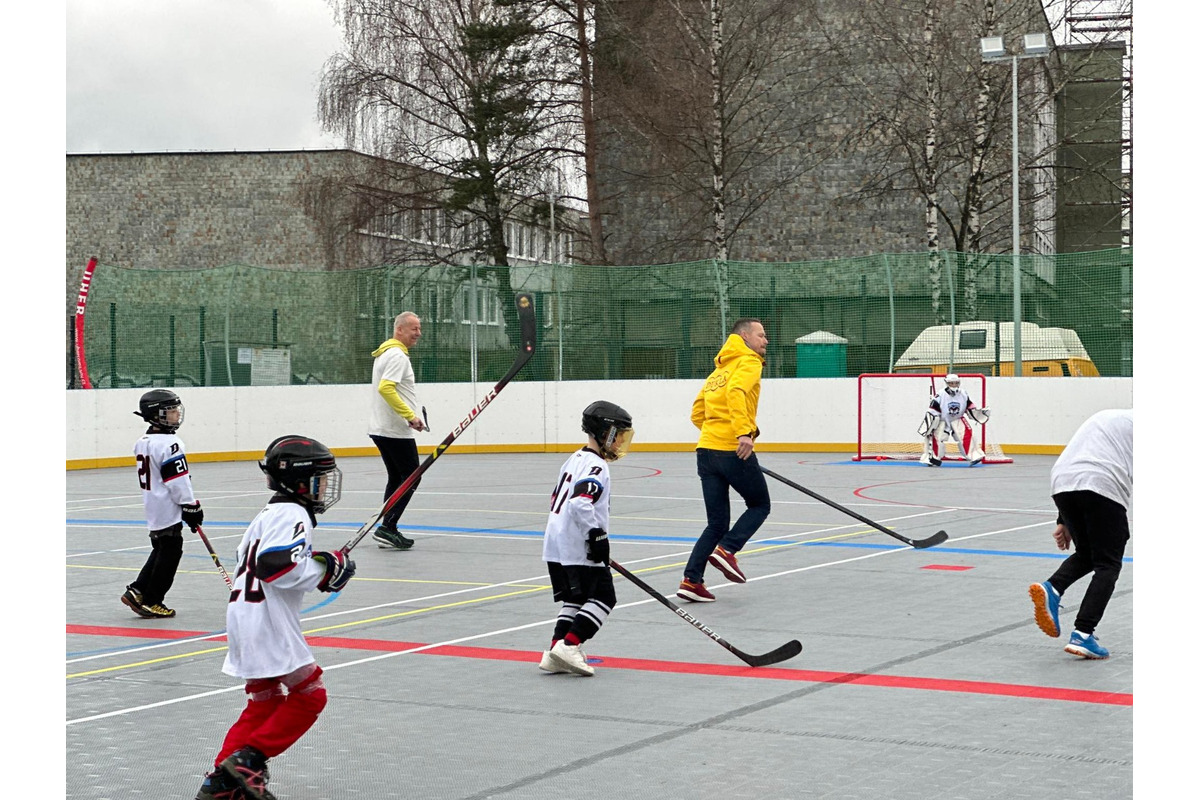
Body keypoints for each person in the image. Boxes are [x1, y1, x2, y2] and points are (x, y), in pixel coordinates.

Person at [195, 435, 355, 800]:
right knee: (310, 695)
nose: (324, 487)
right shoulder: (293, 514)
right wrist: (324, 571)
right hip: (267, 622)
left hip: (243, 619)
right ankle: (249, 761)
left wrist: (323, 565)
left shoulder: (268, 514)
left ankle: (221, 784)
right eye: (318, 478)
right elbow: (276, 567)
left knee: (264, 701)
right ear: (298, 481)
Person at [677, 318, 770, 603]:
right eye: (761, 335)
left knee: (716, 523)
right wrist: (743, 433)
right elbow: (737, 392)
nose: (766, 341)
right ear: (744, 336)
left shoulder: (718, 370)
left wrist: (715, 435)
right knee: (760, 505)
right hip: (732, 447)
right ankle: (727, 550)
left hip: (706, 451)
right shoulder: (748, 362)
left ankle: (691, 580)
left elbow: (697, 412)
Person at [1028, 408, 1132, 660]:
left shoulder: (1113, 416)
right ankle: (1083, 634)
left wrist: (1063, 519)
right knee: (1108, 563)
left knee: (1088, 552)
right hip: (1100, 483)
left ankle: (1052, 587)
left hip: (1062, 481)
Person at [539, 401, 634, 677]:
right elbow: (581, 503)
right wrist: (597, 535)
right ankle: (570, 646)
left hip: (556, 543)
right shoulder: (596, 466)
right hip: (577, 544)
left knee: (577, 598)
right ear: (604, 432)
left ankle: (555, 649)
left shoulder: (574, 459)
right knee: (604, 597)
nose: (618, 443)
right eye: (616, 436)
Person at [122, 389, 203, 619]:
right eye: (170, 412)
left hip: (153, 505)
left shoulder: (143, 442)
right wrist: (191, 505)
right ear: (156, 415)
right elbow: (177, 480)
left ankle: (137, 590)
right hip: (168, 506)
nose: (176, 415)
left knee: (160, 549)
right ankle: (152, 600)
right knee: (170, 553)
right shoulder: (171, 444)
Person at [368, 310, 428, 550]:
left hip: (383, 428)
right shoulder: (396, 356)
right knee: (412, 476)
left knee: (397, 477)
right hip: (393, 430)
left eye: (419, 328)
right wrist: (410, 416)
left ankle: (387, 527)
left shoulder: (387, 353)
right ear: (399, 329)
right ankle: (388, 526)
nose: (418, 333)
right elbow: (386, 388)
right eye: (414, 328)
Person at [919, 373, 990, 466]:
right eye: (951, 383)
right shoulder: (940, 394)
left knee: (967, 435)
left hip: (957, 418)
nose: (954, 385)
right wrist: (931, 423)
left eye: (956, 383)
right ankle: (932, 458)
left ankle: (974, 455)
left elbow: (969, 405)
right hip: (942, 419)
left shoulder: (963, 393)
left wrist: (978, 413)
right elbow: (933, 409)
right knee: (937, 438)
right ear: (947, 383)